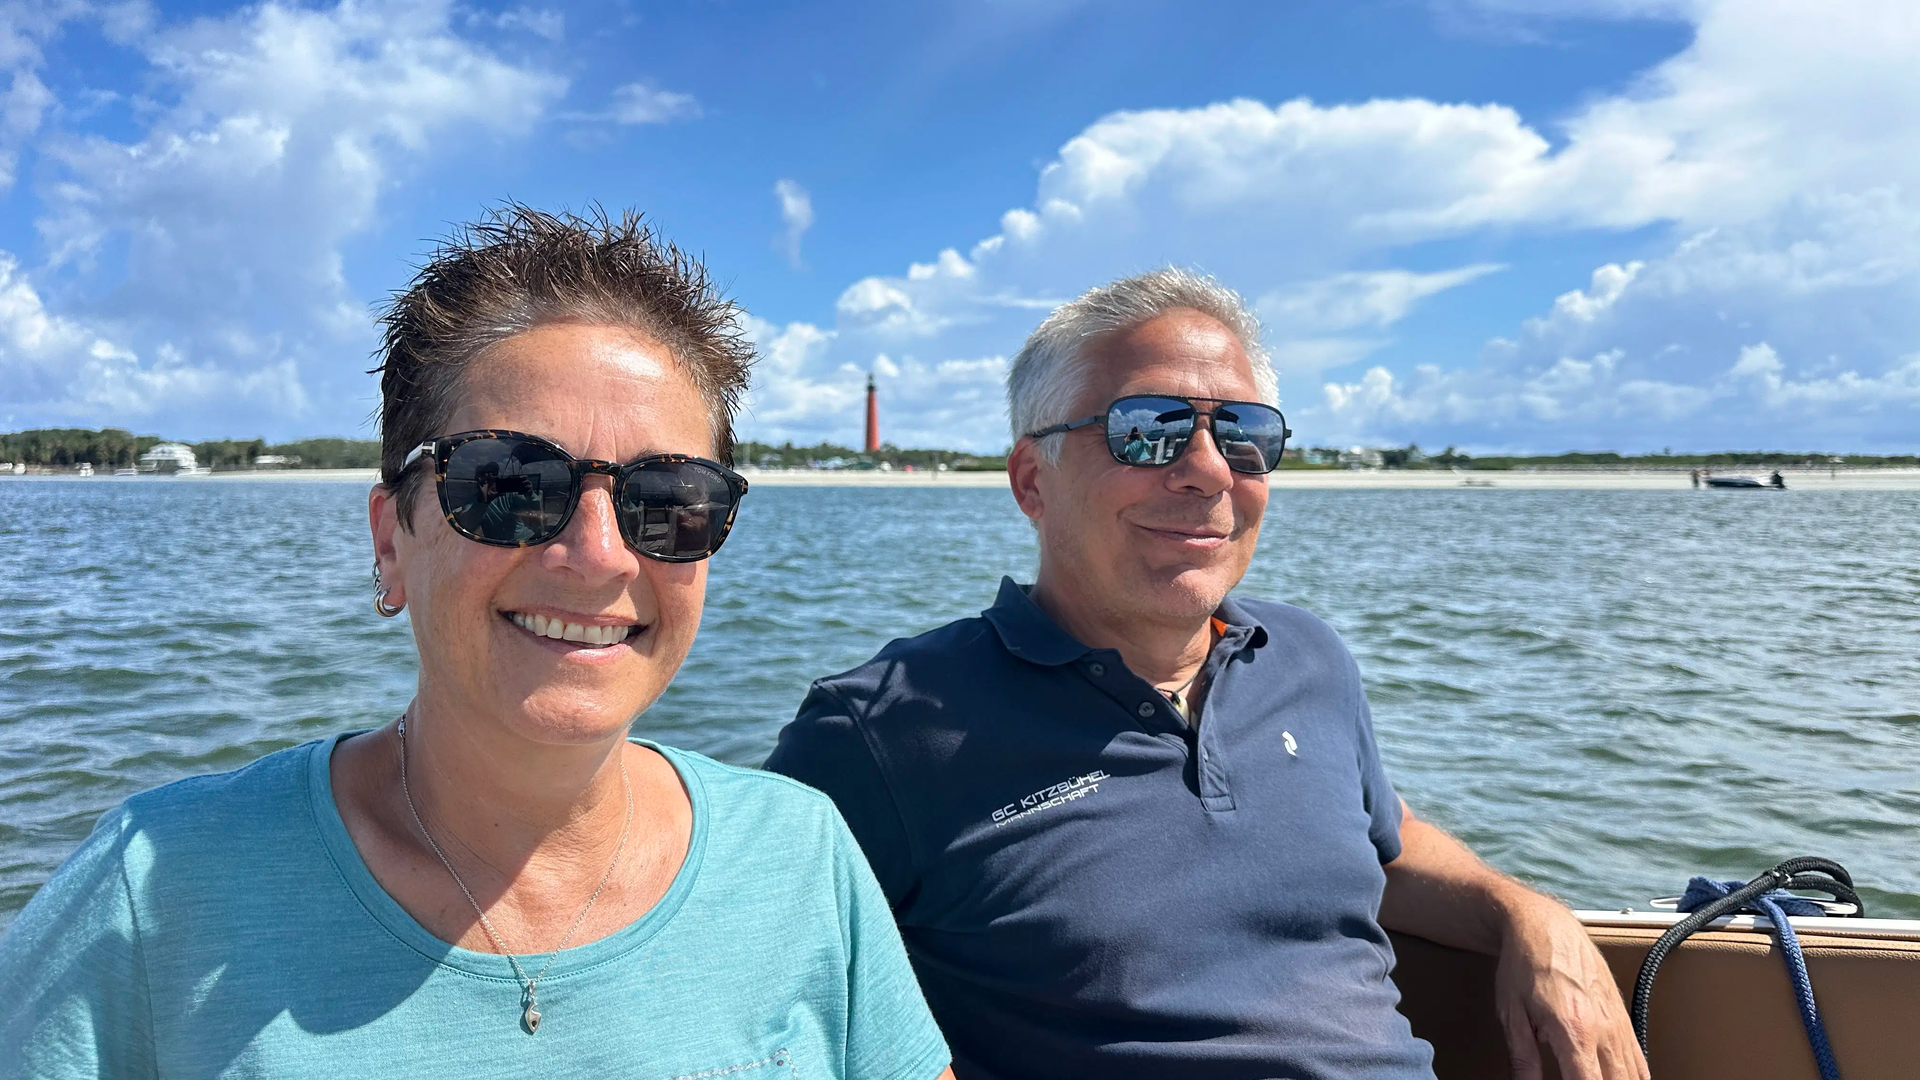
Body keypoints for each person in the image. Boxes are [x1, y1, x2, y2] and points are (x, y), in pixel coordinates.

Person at [0, 207, 952, 1080]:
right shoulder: (158, 888)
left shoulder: (800, 854)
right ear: (390, 538)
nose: (597, 555)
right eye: (508, 484)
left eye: (667, 502)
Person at [766, 269, 1647, 1080]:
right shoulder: (883, 729)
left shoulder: (1308, 659)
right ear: (1033, 480)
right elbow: (757, 980)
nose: (1208, 469)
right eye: (1146, 431)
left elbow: (1386, 841)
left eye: (1245, 434)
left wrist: (1526, 913)